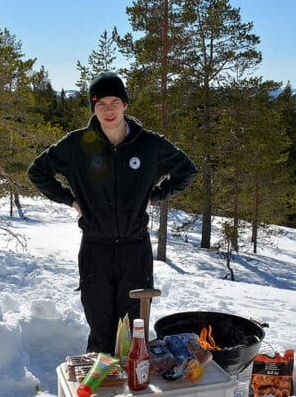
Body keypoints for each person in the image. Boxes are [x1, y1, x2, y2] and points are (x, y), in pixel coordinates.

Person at [27, 72, 197, 353]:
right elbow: (38, 171)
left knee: (133, 332)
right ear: (93, 108)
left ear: (125, 104)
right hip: (96, 252)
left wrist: (155, 196)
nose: (108, 109)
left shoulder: (150, 145)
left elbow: (187, 170)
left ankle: (132, 391)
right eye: (101, 103)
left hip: (135, 250)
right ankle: (98, 390)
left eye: (114, 102)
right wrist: (71, 201)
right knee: (101, 329)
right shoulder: (76, 145)